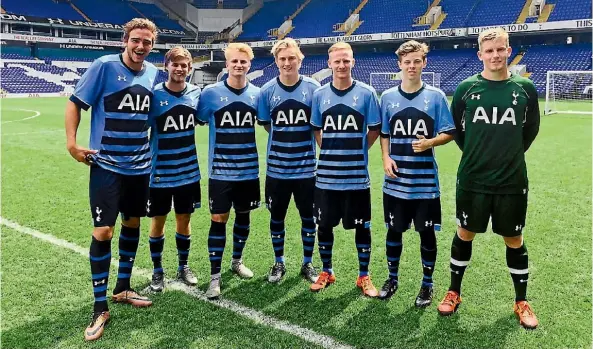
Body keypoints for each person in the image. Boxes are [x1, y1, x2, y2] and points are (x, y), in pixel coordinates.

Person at [436, 28, 540, 330]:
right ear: (480, 54)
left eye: (500, 49)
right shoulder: (467, 88)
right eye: (489, 51)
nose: (495, 55)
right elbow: (459, 132)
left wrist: (507, 154)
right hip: (473, 179)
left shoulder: (525, 88)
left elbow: (529, 130)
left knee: (514, 238)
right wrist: (478, 155)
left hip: (511, 180)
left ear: (509, 50)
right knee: (465, 232)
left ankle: (521, 300)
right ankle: (454, 291)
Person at [65, 18, 159, 341]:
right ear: (125, 39)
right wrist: (72, 143)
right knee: (103, 231)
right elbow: (75, 104)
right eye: (136, 40)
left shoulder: (152, 74)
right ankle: (99, 306)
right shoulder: (103, 66)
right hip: (106, 165)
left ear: (152, 45)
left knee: (132, 224)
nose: (141, 47)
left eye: (147, 42)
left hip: (140, 168)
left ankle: (123, 288)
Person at [377, 40, 455, 307]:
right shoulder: (387, 97)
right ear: (399, 64)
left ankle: (427, 284)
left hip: (425, 183)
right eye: (407, 62)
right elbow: (384, 134)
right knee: (393, 232)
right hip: (396, 181)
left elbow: (449, 133)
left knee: (426, 234)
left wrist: (430, 143)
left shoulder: (436, 96)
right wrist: (385, 157)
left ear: (424, 63)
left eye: (416, 61)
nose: (411, 66)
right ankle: (392, 278)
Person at [309, 42, 381, 297]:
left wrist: (361, 150)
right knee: (324, 225)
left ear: (353, 62)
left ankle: (364, 275)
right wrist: (326, 148)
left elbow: (374, 128)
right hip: (326, 177)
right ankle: (326, 270)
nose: (341, 65)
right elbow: (316, 127)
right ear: (329, 64)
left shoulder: (367, 93)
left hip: (357, 178)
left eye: (346, 61)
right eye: (337, 61)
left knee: (362, 227)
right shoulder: (319, 95)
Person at [197, 43, 261, 299]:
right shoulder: (211, 93)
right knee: (218, 220)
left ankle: (237, 261)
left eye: (243, 62)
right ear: (227, 64)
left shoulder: (258, 94)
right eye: (234, 61)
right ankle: (214, 277)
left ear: (249, 65)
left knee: (243, 216)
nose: (238, 65)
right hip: (220, 171)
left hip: (248, 170)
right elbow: (200, 119)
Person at [257, 38, 321, 284]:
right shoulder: (266, 91)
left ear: (300, 60)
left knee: (309, 218)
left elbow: (317, 125)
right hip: (277, 169)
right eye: (282, 59)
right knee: (277, 217)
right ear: (276, 61)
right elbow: (266, 123)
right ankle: (279, 261)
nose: (287, 63)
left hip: (306, 170)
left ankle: (307, 262)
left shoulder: (314, 88)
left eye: (291, 58)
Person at [146, 46, 201, 292]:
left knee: (184, 219)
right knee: (158, 221)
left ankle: (183, 266)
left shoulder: (196, 93)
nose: (180, 69)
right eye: (175, 64)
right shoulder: (154, 95)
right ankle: (157, 271)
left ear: (190, 69)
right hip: (159, 170)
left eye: (184, 66)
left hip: (188, 170)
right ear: (166, 66)